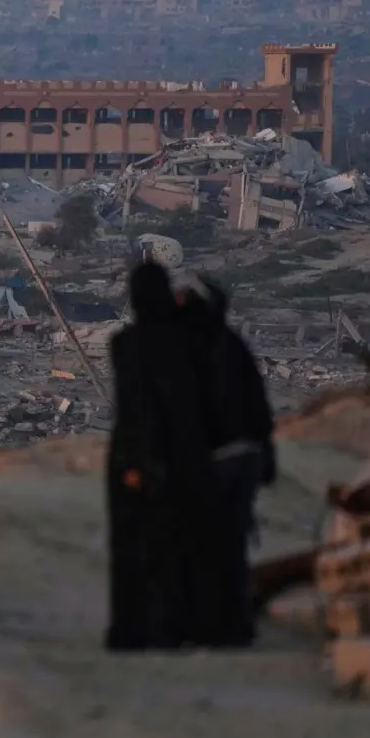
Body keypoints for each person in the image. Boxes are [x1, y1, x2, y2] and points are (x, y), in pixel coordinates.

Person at [105, 262, 212, 651]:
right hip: (181, 455)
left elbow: (134, 409)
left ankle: (129, 629)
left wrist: (135, 462)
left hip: (131, 454)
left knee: (130, 545)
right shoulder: (185, 342)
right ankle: (170, 627)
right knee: (173, 544)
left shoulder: (124, 344)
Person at [175, 276, 275, 648]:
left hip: (213, 464)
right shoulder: (233, 344)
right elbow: (260, 408)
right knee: (231, 545)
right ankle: (234, 625)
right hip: (246, 459)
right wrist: (268, 460)